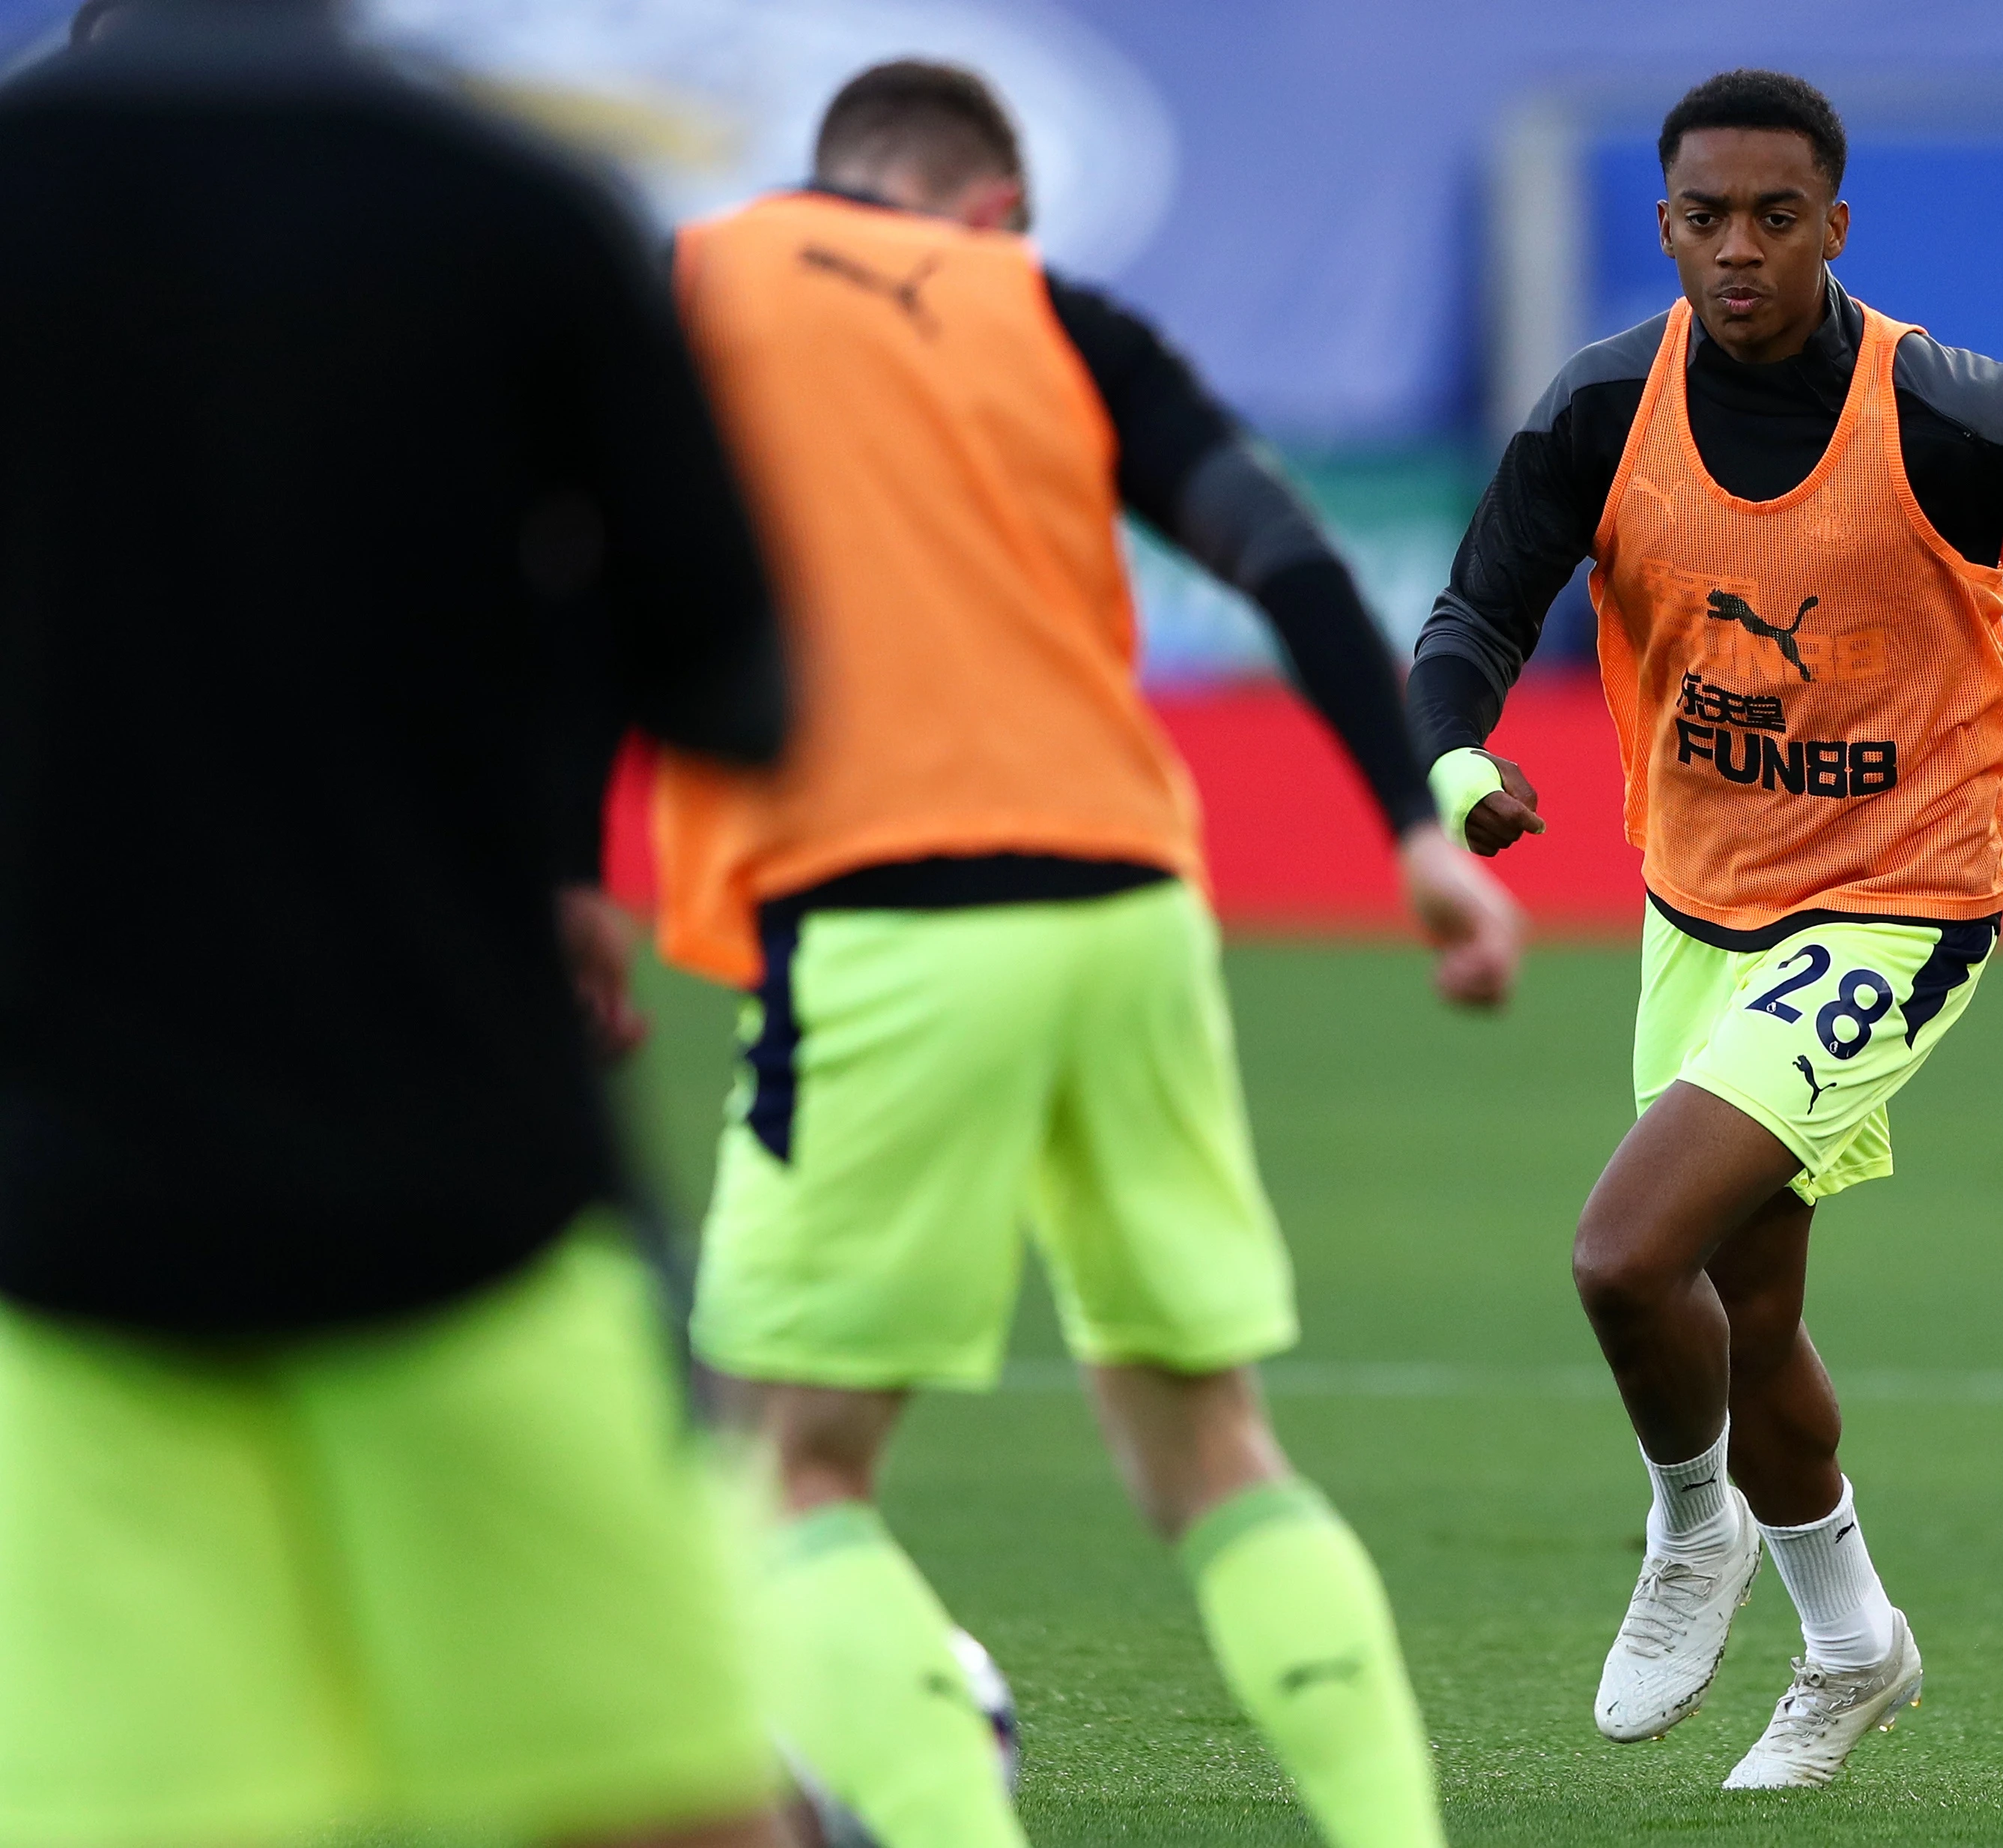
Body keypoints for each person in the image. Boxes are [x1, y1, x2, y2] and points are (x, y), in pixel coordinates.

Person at [654, 61, 1522, 1848]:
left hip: (882, 911)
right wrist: (1415, 837)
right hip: (1131, 907)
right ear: (990, 210)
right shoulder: (1054, 313)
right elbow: (1281, 552)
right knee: (1212, 1448)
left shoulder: (695, 283)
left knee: (781, 1469)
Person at [0, 4, 792, 1847]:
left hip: (63, 1223)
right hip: (467, 1204)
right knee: (661, 1810)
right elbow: (734, 688)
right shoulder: (518, 204)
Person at [1411, 69, 2003, 1791]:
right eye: (1706, 218)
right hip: (1697, 907)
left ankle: (1687, 1526)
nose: (1739, 250)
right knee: (1747, 1316)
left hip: (1899, 902)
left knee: (1627, 1257)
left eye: (1777, 217)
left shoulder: (1938, 404)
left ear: (1834, 225)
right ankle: (1853, 1648)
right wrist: (1457, 751)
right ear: (1664, 228)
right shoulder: (1601, 404)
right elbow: (1477, 606)